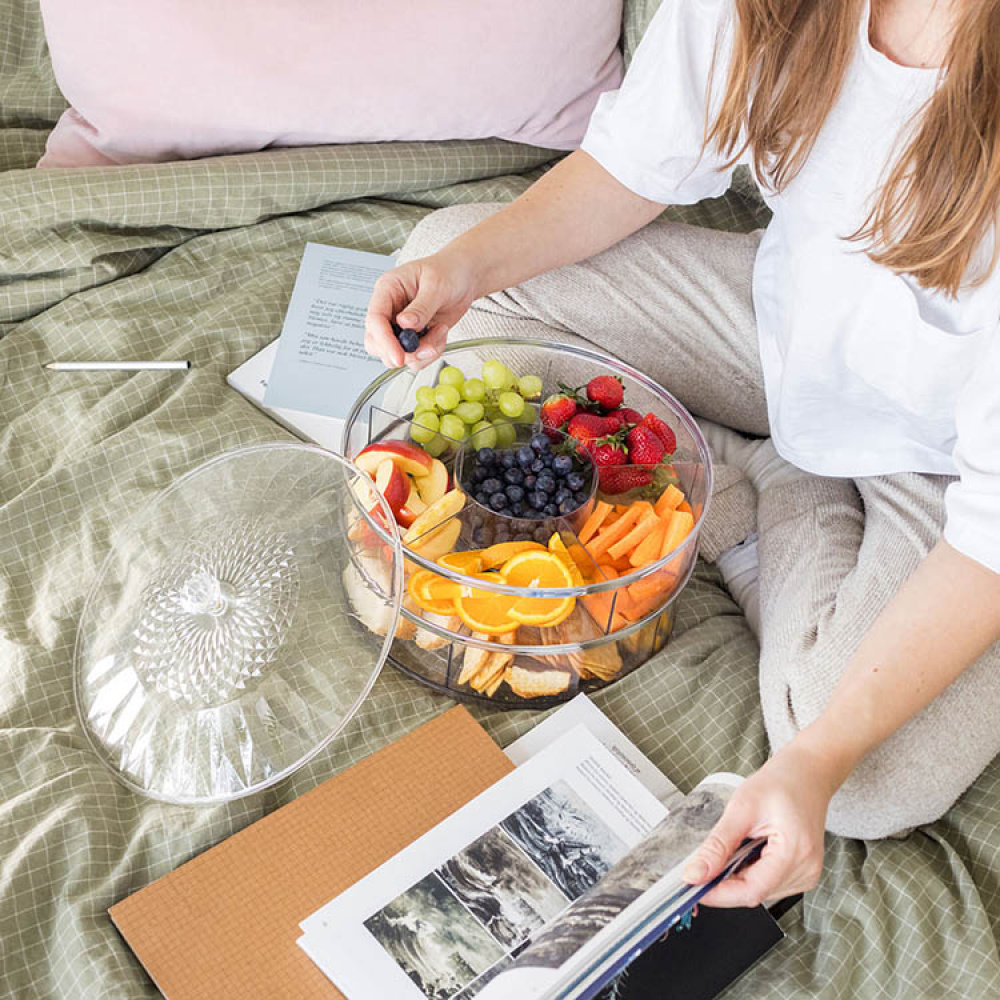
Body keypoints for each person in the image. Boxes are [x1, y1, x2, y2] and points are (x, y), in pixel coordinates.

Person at [364, 0, 1000, 908]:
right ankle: (766, 460)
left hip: (949, 467)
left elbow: (991, 532)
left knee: (867, 781)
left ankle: (778, 485)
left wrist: (815, 762)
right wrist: (466, 271)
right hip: (783, 331)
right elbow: (634, 164)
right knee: (454, 269)